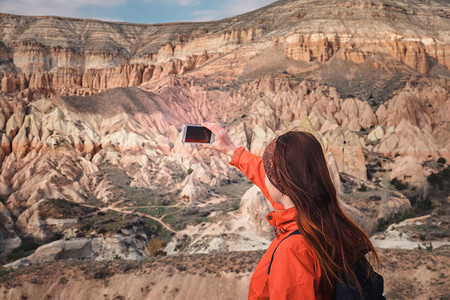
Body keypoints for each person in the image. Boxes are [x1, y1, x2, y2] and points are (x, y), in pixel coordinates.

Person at [199, 123, 382, 300]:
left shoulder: (294, 252)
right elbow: (266, 176)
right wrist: (230, 149)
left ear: (283, 185)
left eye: (269, 173)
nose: (266, 177)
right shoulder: (323, 217)